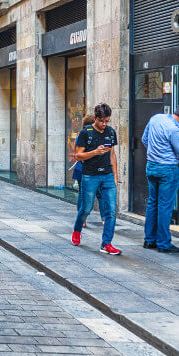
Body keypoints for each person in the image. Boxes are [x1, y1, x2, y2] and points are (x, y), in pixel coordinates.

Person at [141, 102, 179, 254]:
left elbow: (144, 139)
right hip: (168, 170)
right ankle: (164, 243)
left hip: (151, 166)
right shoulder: (174, 130)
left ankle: (149, 240)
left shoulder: (156, 118)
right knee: (165, 206)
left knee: (153, 203)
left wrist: (156, 153)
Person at [72, 103, 121, 256]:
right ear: (95, 118)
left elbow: (112, 155)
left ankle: (106, 243)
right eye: (101, 121)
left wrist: (115, 177)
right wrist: (95, 152)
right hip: (90, 176)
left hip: (107, 176)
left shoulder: (111, 133)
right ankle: (77, 229)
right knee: (86, 209)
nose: (104, 124)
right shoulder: (86, 133)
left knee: (111, 212)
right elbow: (77, 156)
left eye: (107, 121)